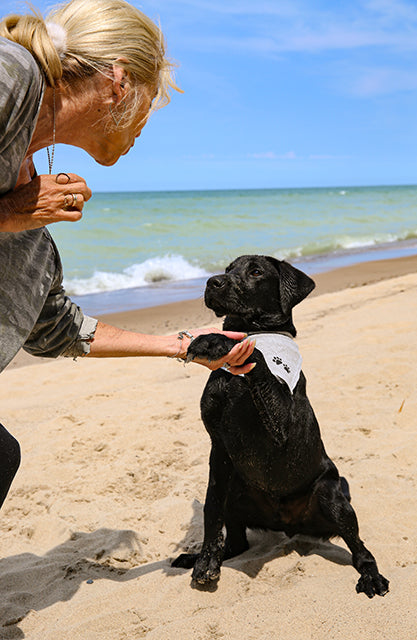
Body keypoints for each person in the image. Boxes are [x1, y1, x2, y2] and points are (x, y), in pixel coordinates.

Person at [0, 0, 255, 510]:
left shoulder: (34, 229)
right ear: (119, 82)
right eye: (151, 101)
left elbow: (57, 331)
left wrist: (184, 345)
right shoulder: (13, 73)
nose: (145, 124)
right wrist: (9, 213)